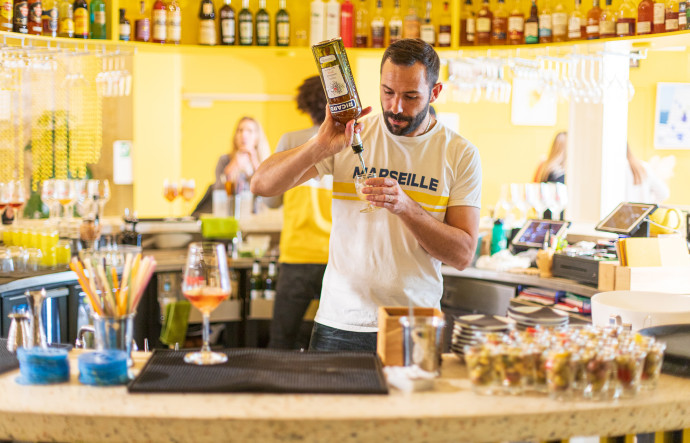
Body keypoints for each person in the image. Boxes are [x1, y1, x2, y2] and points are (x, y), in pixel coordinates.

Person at [251, 39, 482, 352]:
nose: (396, 107)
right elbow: (262, 185)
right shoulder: (353, 135)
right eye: (387, 92)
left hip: (413, 324)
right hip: (340, 321)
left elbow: (463, 255)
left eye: (411, 96)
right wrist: (320, 145)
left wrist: (404, 206)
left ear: (435, 92)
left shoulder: (459, 154)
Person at [263, 76, 331, 350]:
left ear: (304, 103)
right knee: (332, 341)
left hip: (297, 255)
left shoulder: (290, 140)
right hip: (335, 259)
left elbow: (270, 200)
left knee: (282, 339)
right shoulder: (349, 140)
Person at [192, 116, 270, 216]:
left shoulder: (265, 163)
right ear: (235, 136)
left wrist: (255, 162)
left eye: (249, 131)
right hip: (226, 214)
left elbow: (268, 194)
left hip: (257, 217)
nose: (244, 135)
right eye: (240, 130)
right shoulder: (224, 160)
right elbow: (218, 190)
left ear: (257, 137)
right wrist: (233, 165)